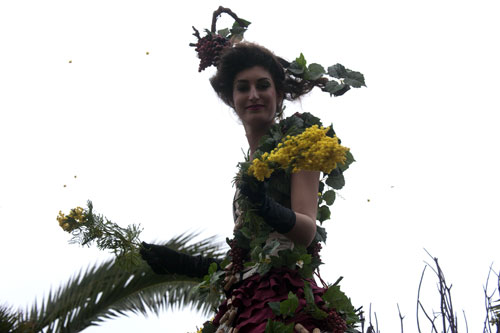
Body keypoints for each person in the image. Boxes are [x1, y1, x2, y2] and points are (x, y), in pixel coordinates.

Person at [141, 42, 357, 333]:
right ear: (232, 99)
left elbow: (306, 230)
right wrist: (185, 264)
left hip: (286, 299)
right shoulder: (245, 172)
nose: (253, 95)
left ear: (278, 94)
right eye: (242, 87)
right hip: (246, 305)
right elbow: (252, 260)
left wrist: (265, 206)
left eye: (263, 85)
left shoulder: (302, 143)